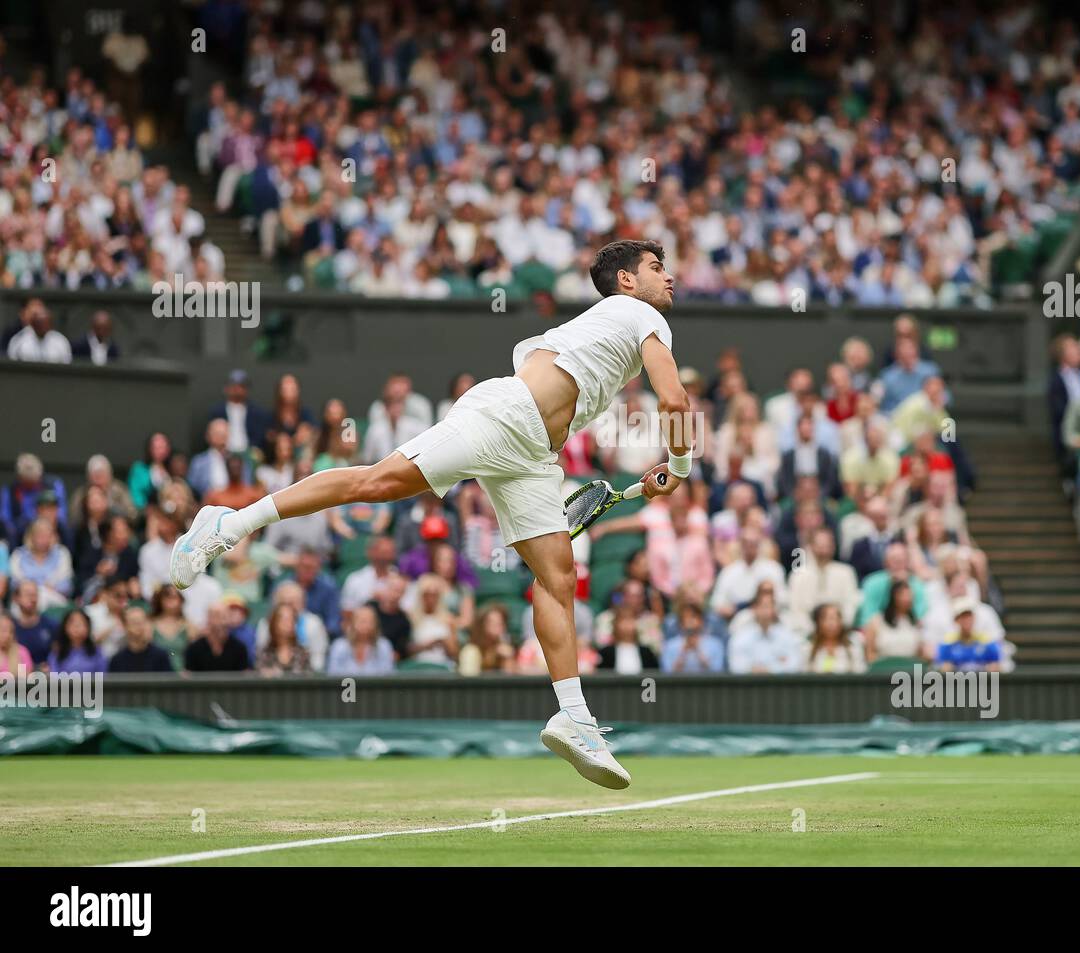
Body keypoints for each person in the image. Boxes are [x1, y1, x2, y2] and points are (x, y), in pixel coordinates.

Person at [168, 240, 690, 790]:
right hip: (505, 417)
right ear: (628, 283)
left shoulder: (605, 325)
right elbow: (674, 401)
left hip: (536, 454)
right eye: (657, 268)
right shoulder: (639, 314)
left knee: (558, 576)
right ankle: (227, 524)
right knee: (377, 482)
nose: (669, 277)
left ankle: (574, 717)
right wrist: (679, 464)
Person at [108, 605, 174, 672]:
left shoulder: (160, 656)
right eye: (136, 623)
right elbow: (102, 680)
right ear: (125, 626)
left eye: (144, 621)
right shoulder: (117, 660)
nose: (141, 626)